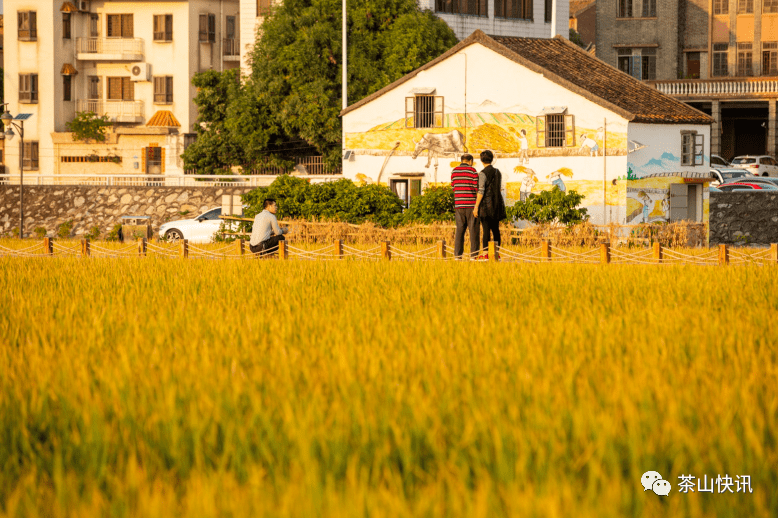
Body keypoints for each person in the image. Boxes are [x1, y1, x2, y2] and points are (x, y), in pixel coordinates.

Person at [473, 150, 507, 260]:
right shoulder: (498, 172)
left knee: (486, 230)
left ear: (481, 160)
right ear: (492, 159)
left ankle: (486, 254)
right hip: (497, 204)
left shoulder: (482, 173)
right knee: (496, 230)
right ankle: (496, 253)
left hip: (486, 207)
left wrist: (476, 206)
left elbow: (481, 191)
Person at [450, 153, 480, 259]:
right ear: (470, 161)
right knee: (474, 231)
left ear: (461, 160)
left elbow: (453, 187)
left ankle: (457, 256)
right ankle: (473, 256)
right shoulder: (473, 171)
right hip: (471, 205)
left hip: (459, 205)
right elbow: (477, 188)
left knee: (460, 230)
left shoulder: (454, 171)